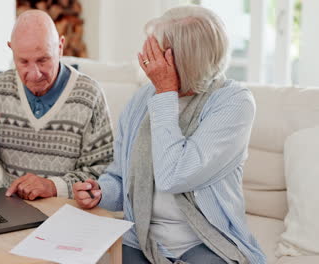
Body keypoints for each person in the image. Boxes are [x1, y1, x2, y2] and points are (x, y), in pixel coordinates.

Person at [73, 5, 266, 264]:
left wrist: (166, 93)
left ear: (184, 59)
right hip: (141, 239)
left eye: (157, 52)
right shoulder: (142, 99)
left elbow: (173, 176)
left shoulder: (234, 103)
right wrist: (101, 191)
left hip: (205, 241)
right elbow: (120, 176)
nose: (147, 59)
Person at [0, 10, 113, 200]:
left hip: (65, 211)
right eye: (24, 62)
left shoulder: (89, 94)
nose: (34, 74)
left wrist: (53, 186)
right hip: (11, 208)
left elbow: (104, 173)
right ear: (12, 50)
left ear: (60, 47)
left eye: (43, 60)